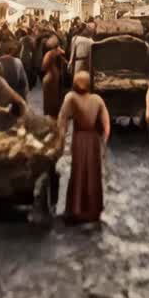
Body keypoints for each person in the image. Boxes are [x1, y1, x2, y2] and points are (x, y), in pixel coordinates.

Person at [57, 71, 110, 224]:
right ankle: (93, 210)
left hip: (80, 139)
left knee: (79, 170)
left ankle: (77, 209)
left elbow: (62, 121)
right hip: (93, 140)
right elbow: (106, 122)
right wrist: (104, 138)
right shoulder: (97, 99)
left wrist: (59, 140)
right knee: (93, 171)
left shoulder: (71, 98)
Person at [41, 37, 68, 117]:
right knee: (55, 97)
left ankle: (49, 115)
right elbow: (66, 62)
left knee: (48, 99)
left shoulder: (49, 54)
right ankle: (55, 114)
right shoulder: (59, 52)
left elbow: (43, 67)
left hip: (49, 77)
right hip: (57, 76)